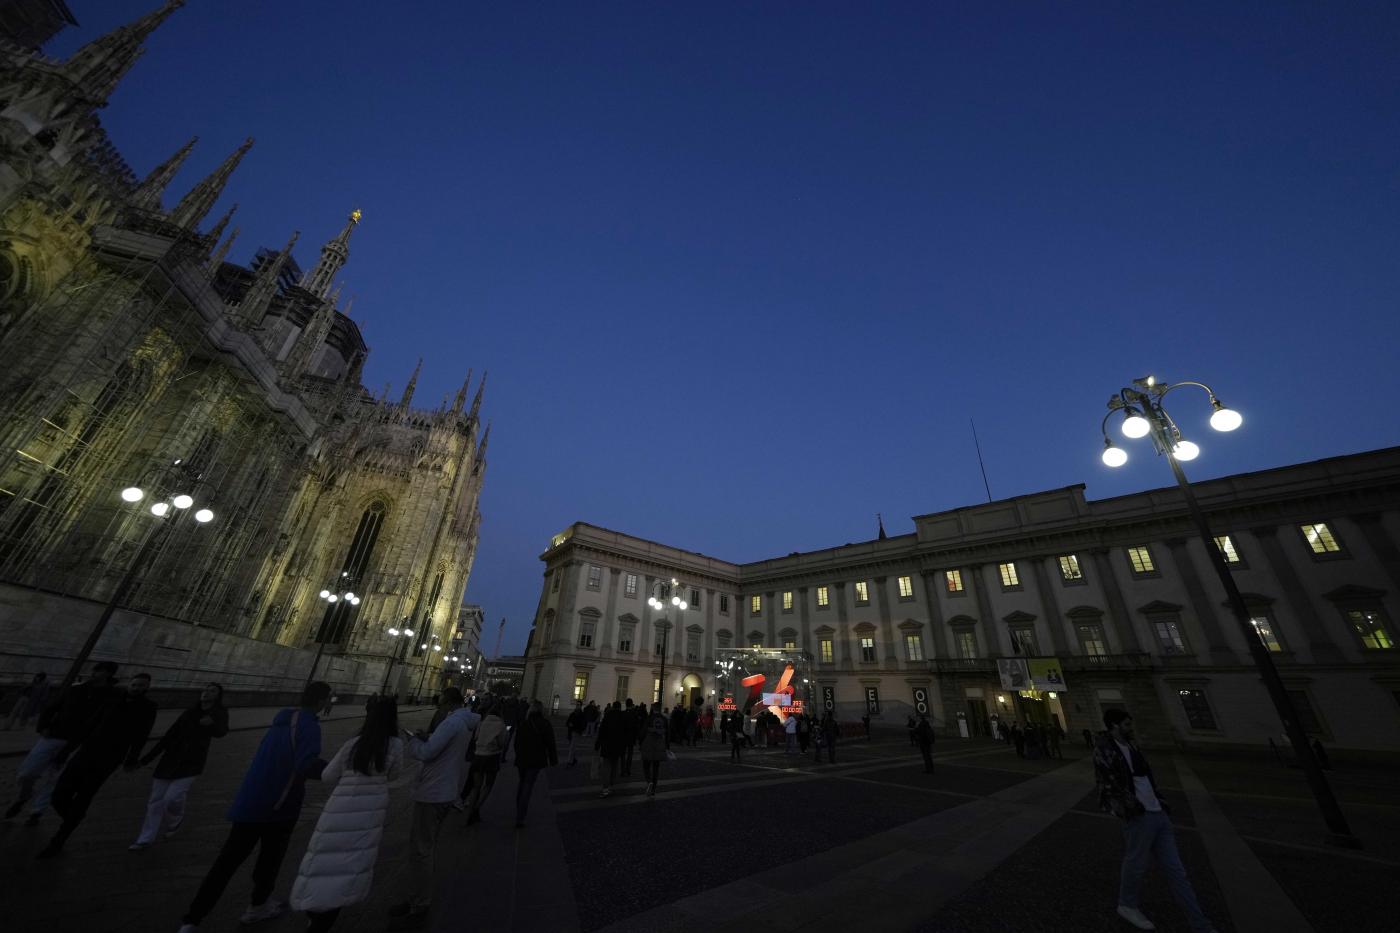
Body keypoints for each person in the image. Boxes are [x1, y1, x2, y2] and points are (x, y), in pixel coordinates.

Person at [178, 681, 331, 933]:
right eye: (329, 699)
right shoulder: (309, 726)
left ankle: (191, 920)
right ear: (323, 700)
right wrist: (340, 769)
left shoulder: (281, 720)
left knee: (225, 863)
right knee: (270, 860)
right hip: (279, 806)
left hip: (250, 800)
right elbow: (306, 764)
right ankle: (257, 906)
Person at [1095, 709, 1217, 933]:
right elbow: (1107, 783)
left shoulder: (1132, 746)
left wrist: (1160, 801)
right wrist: (1127, 808)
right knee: (1136, 864)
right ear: (1113, 726)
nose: (1131, 728)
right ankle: (1127, 904)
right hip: (1138, 815)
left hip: (1157, 811)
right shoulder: (1106, 749)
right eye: (1126, 724)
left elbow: (1145, 777)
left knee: (1177, 872)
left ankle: (1201, 925)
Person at [289, 697, 402, 933]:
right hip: (369, 813)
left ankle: (313, 907)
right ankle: (324, 919)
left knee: (323, 861)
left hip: (338, 808)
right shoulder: (395, 745)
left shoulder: (354, 743)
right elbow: (394, 775)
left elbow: (328, 775)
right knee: (350, 864)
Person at [38, 671, 158, 857]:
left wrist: (131, 759)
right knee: (59, 795)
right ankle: (74, 818)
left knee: (84, 796)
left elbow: (141, 736)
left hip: (109, 759)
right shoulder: (113, 699)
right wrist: (67, 750)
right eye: (135, 684)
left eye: (142, 685)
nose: (137, 688)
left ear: (148, 687)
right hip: (87, 751)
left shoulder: (149, 707)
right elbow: (90, 724)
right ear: (129, 684)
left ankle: (59, 840)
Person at [389, 687, 478, 930]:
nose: (438, 709)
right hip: (445, 790)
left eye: (440, 705)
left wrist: (414, 741)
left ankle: (419, 902)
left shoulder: (451, 724)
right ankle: (417, 898)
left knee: (421, 850)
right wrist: (430, 737)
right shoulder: (464, 723)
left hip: (434, 791)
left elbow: (427, 754)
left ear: (448, 703)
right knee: (426, 848)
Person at [6, 661, 119, 825]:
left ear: (108, 674)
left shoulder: (112, 696)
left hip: (77, 743)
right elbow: (52, 707)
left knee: (55, 779)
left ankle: (37, 811)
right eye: (96, 670)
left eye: (100, 671)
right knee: (26, 773)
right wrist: (43, 726)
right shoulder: (75, 689)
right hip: (53, 736)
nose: (95, 673)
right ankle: (24, 797)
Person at [131, 682, 229, 850]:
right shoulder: (189, 712)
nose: (206, 693)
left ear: (218, 696)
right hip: (170, 758)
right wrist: (145, 760)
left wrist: (211, 724)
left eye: (212, 691)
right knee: (155, 800)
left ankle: (175, 820)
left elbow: (222, 732)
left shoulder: (219, 713)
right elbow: (169, 736)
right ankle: (145, 838)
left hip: (192, 761)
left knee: (172, 798)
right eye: (205, 689)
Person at [512, 701, 557, 827]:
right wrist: (553, 760)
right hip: (536, 759)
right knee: (528, 785)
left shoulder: (524, 723)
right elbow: (551, 743)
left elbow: (516, 742)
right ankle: (520, 816)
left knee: (522, 783)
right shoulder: (545, 723)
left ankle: (519, 810)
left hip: (522, 759)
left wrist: (518, 754)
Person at [462, 698, 506, 823]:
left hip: (478, 756)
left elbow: (475, 738)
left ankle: (469, 813)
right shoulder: (501, 725)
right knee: (488, 785)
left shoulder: (482, 722)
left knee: (476, 786)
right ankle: (476, 808)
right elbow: (502, 744)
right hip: (492, 757)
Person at [595, 702, 627, 797]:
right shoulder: (623, 716)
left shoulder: (608, 715)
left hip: (607, 745)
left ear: (613, 707)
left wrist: (598, 744)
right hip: (618, 746)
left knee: (606, 767)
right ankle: (611, 786)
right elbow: (625, 732)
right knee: (615, 766)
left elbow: (602, 730)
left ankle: (605, 788)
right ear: (620, 707)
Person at [639, 702, 668, 796]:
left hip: (649, 744)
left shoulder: (649, 718)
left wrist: (640, 743)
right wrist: (667, 746)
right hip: (659, 745)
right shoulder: (664, 719)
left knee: (646, 765)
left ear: (653, 708)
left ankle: (649, 781)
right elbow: (668, 733)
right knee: (656, 767)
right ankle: (654, 789)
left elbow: (643, 731)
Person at [620, 698, 638, 776]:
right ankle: (628, 770)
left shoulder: (622, 713)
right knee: (630, 755)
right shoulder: (634, 714)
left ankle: (622, 770)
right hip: (631, 737)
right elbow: (637, 726)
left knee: (623, 754)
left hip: (623, 737)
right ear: (632, 704)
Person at [565, 701, 585, 766]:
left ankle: (569, 762)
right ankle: (574, 759)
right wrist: (569, 724)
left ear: (581, 706)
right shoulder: (572, 714)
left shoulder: (582, 715)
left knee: (572, 747)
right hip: (570, 732)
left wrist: (574, 725)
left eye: (578, 705)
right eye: (577, 704)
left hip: (576, 732)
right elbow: (567, 722)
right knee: (572, 747)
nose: (577, 706)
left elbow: (583, 725)